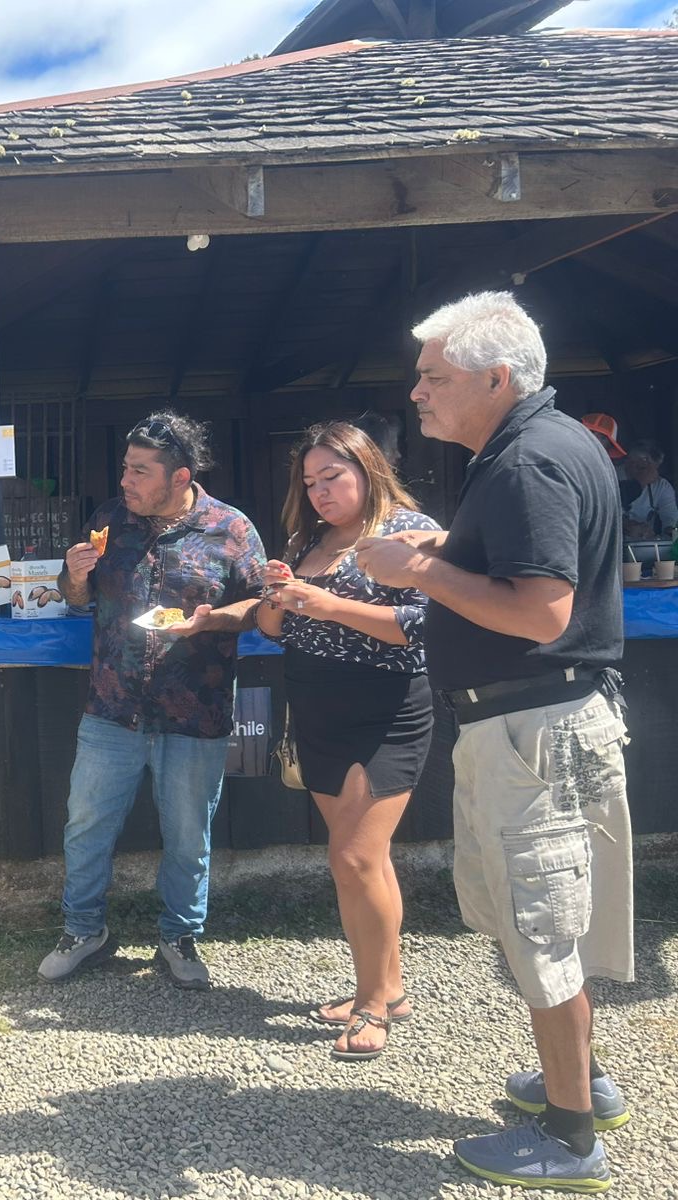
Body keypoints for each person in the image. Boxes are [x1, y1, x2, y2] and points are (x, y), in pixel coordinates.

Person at [357, 292, 632, 1192]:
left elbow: (541, 611)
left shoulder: (525, 463)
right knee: (543, 920)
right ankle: (580, 1081)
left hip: (530, 733)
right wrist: (450, 545)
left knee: (539, 928)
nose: (417, 392)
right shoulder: (545, 444)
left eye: (433, 376)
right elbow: (525, 565)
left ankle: (571, 1138)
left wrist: (419, 568)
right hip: (538, 724)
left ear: (495, 378)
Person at [38, 412, 265, 989]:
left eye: (140, 471)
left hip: (195, 710)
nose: (126, 480)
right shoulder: (109, 520)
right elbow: (74, 597)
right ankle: (83, 931)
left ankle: (180, 937)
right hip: (112, 707)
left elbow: (262, 605)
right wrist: (74, 575)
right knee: (86, 825)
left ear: (180, 476)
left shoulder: (231, 529)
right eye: (125, 467)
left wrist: (212, 620)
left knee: (189, 836)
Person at [253, 422, 440, 1062]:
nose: (320, 492)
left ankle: (371, 1005)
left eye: (332, 477)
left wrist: (325, 604)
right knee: (367, 859)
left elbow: (421, 626)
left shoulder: (407, 531)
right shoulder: (308, 539)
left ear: (368, 468)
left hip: (383, 710)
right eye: (310, 482)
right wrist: (278, 595)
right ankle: (392, 987)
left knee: (353, 859)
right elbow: (274, 629)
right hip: (317, 709)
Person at [621, 438, 676, 541]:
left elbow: (671, 520)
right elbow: (608, 517)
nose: (655, 473)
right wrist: (626, 525)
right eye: (644, 466)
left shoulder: (661, 485)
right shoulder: (612, 478)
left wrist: (670, 533)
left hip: (645, 546)